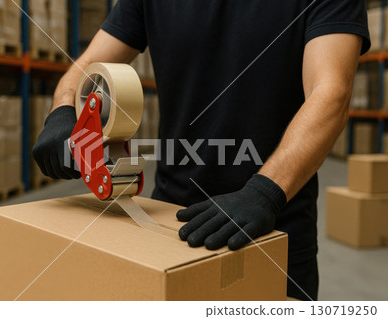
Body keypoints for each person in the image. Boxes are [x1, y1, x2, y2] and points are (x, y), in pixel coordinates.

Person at [32, 0, 370, 301]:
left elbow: (331, 94)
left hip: (272, 229)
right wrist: (63, 111)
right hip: (170, 222)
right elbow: (89, 64)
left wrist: (264, 193)